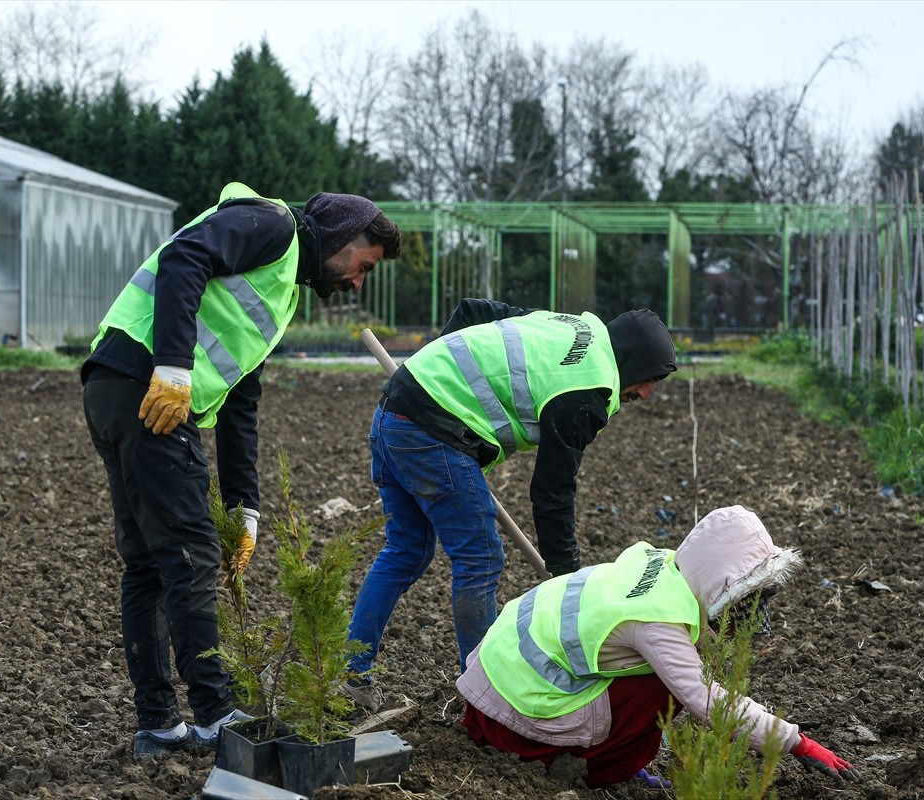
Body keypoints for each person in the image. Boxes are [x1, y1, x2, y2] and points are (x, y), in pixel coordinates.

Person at [81, 181, 402, 758]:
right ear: (342, 236)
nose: (357, 282)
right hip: (149, 388)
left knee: (150, 564)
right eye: (364, 266)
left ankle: (159, 725)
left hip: (116, 388)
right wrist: (173, 367)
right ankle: (214, 715)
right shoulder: (274, 226)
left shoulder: (280, 289)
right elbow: (184, 257)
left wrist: (244, 507)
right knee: (190, 554)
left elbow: (240, 403)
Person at [346, 298, 678, 703]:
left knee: (406, 550)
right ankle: (485, 693)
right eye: (651, 379)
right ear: (635, 361)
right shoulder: (587, 389)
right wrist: (566, 575)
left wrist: (431, 374)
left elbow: (472, 311)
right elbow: (552, 490)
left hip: (394, 413)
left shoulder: (565, 325)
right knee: (480, 558)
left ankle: (351, 674)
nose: (646, 394)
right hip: (430, 433)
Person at [456, 505, 860, 788]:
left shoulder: (662, 567)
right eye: (746, 596)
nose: (752, 611)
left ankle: (604, 756)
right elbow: (708, 701)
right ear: (718, 578)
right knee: (665, 686)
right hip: (514, 711)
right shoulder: (656, 622)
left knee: (667, 671)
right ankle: (598, 768)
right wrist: (797, 743)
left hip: (498, 679)